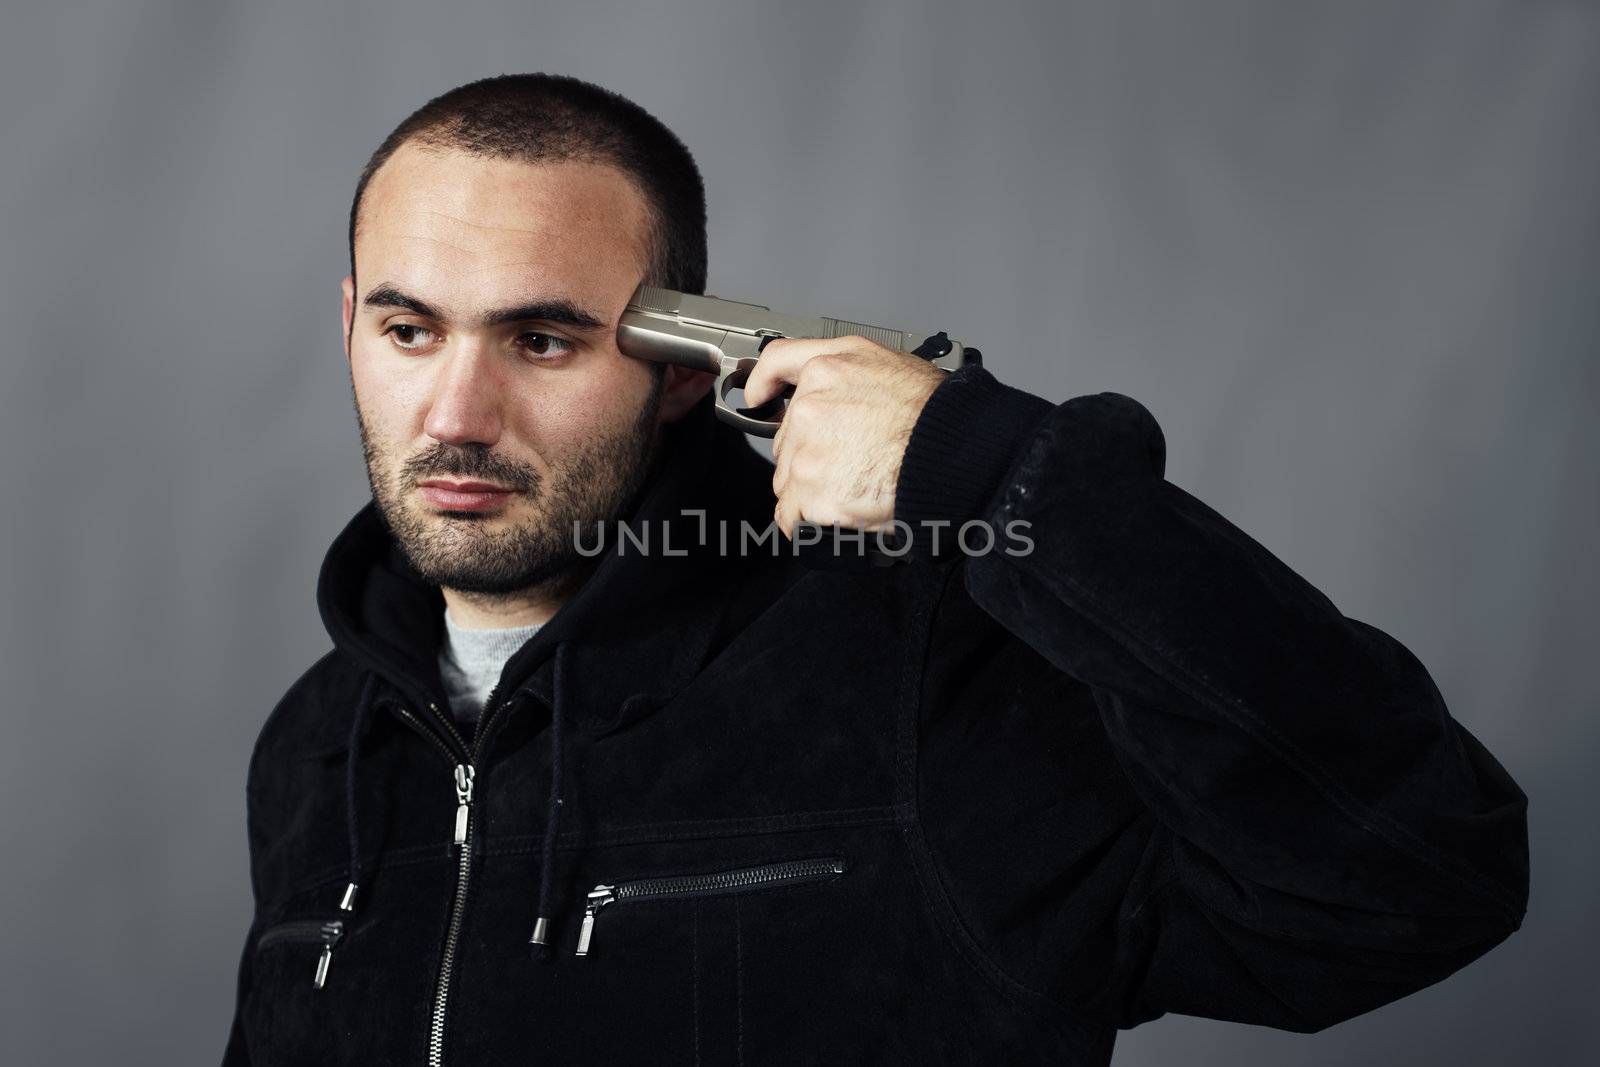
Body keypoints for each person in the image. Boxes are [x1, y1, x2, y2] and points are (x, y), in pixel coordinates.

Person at [221, 73, 1529, 1066]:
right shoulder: (320, 743)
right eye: (408, 328)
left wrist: (994, 474)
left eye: (544, 341)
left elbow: (1417, 881)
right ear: (351, 324)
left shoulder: (918, 686)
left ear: (683, 368)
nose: (455, 410)